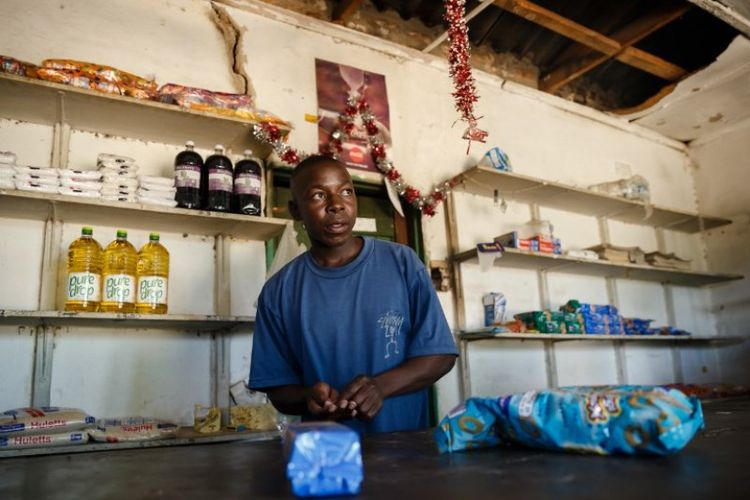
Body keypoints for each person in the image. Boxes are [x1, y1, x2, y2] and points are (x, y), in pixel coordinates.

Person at [249, 155, 457, 433]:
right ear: (296, 210)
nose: (336, 205)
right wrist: (306, 398)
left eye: (346, 191)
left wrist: (380, 387)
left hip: (403, 449)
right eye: (318, 195)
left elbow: (441, 354)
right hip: (326, 454)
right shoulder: (278, 291)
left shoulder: (402, 263)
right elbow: (277, 389)